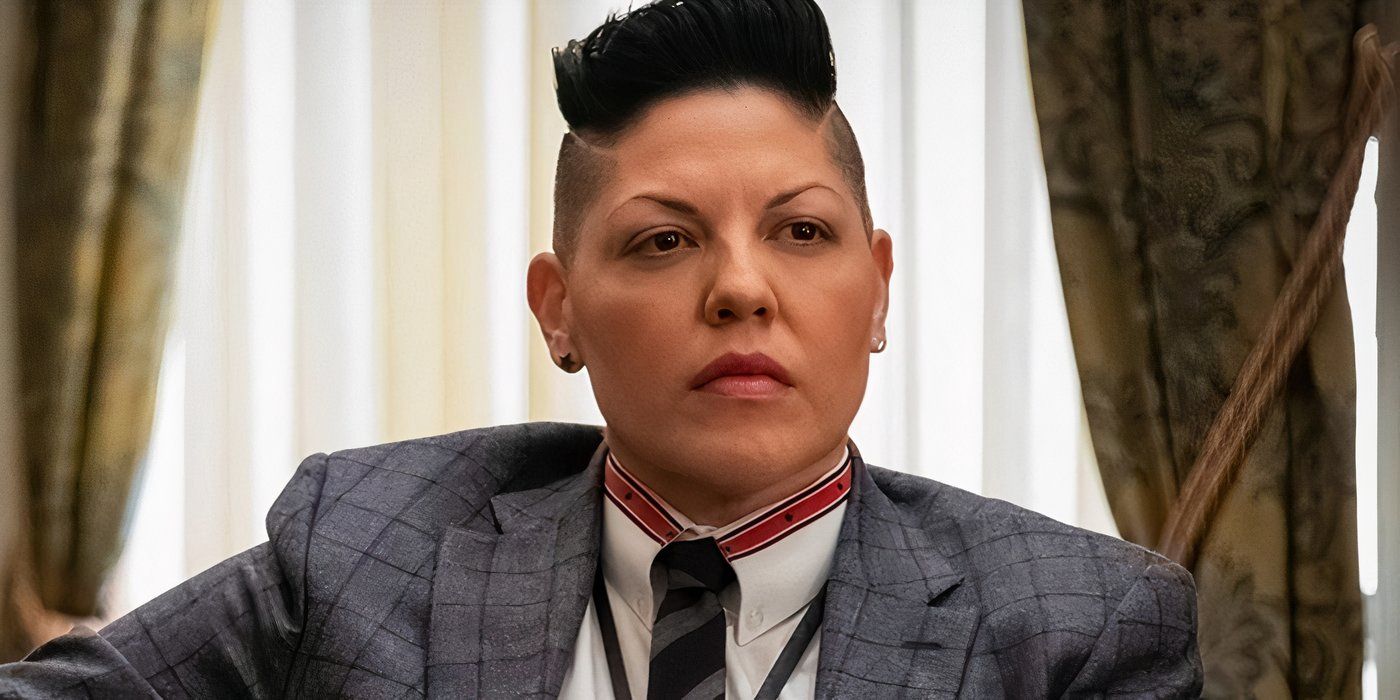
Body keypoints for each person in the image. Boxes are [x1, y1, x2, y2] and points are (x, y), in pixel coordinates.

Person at [0, 0, 1202, 697]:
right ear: (557, 307)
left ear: (876, 288)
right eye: (663, 240)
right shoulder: (364, 546)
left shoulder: (1077, 629)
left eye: (799, 231)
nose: (740, 288)